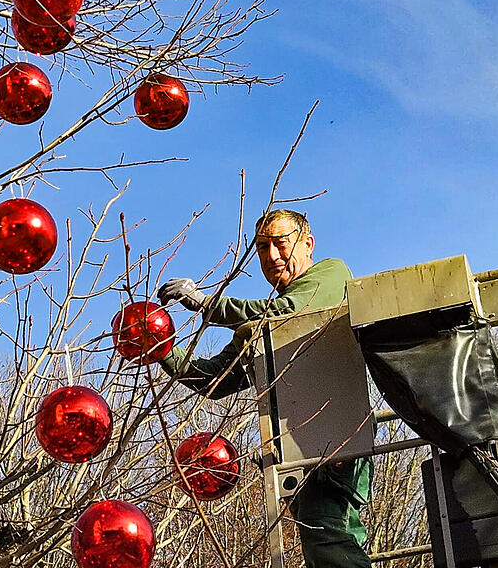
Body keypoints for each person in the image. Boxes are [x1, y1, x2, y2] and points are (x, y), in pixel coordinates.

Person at [157, 209, 373, 568]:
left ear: (307, 244)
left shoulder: (331, 273)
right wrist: (160, 346)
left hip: (338, 435)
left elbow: (289, 312)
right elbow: (214, 379)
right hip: (297, 444)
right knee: (322, 536)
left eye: (280, 244)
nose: (271, 256)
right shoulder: (261, 327)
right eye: (261, 247)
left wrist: (205, 303)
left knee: (328, 533)